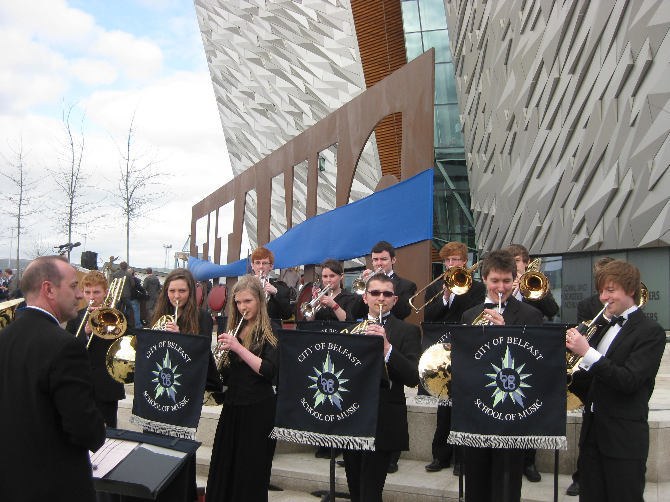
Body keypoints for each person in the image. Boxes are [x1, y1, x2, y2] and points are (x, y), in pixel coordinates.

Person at [0, 256, 106, 501]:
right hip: (55, 487)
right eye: (73, 286)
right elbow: (83, 429)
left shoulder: (3, 338)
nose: (80, 295)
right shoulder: (66, 346)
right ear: (48, 289)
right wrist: (96, 427)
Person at [566, 260, 664, 502]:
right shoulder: (603, 326)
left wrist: (587, 352)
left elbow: (629, 380)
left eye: (610, 290)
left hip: (623, 437)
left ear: (630, 290)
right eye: (601, 291)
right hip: (593, 433)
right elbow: (593, 379)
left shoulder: (651, 331)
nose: (603, 297)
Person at [461, 250, 543, 502]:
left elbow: (535, 363)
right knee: (475, 482)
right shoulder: (468, 314)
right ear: (484, 279)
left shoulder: (531, 315)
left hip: (511, 410)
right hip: (477, 409)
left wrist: (505, 332)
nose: (501, 287)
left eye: (507, 281)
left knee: (506, 486)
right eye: (495, 280)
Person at [341, 273, 422, 502]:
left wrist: (387, 348)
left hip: (384, 417)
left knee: (372, 490)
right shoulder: (349, 330)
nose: (381, 298)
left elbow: (413, 377)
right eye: (375, 293)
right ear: (365, 297)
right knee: (355, 487)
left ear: (395, 300)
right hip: (353, 415)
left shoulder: (407, 331)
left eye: (387, 294)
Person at [206, 275, 279, 501]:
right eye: (238, 302)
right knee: (225, 468)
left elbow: (268, 371)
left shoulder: (271, 330)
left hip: (258, 408)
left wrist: (238, 348)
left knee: (250, 473)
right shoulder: (236, 329)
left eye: (247, 301)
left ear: (259, 300)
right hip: (233, 405)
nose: (242, 307)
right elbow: (229, 374)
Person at [424, 242, 486, 475]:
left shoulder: (477, 288)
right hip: (443, 350)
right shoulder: (435, 288)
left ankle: (462, 459)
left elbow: (472, 313)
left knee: (465, 405)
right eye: (447, 260)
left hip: (467, 349)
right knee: (444, 404)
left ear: (465, 262)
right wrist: (446, 295)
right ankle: (441, 456)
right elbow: (429, 317)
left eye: (455, 260)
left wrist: (460, 290)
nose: (451, 264)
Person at [506, 243, 558, 482]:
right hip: (504, 355)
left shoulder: (534, 283)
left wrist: (534, 287)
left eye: (519, 260)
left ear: (526, 262)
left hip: (529, 355)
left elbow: (552, 310)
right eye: (511, 260)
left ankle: (529, 462)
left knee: (528, 411)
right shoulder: (502, 287)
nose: (516, 264)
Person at [567, 255, 615, 496]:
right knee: (588, 430)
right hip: (592, 368)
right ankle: (580, 477)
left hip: (614, 371)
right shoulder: (588, 305)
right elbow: (585, 340)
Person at [65, 270, 127, 428]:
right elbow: (67, 346)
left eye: (96, 292)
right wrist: (85, 333)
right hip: (82, 383)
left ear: (106, 293)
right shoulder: (76, 317)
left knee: (109, 433)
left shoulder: (116, 315)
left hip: (107, 385)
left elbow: (129, 341)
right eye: (88, 292)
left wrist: (113, 327)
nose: (92, 297)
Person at [351, 241, 417, 321]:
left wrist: (389, 290)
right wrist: (366, 285)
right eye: (375, 260)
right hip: (369, 328)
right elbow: (355, 313)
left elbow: (403, 313)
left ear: (393, 260)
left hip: (393, 330)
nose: (379, 263)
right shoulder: (368, 283)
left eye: (383, 259)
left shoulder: (407, 285)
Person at [250, 247, 293, 322]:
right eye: (257, 263)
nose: (261, 266)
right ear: (252, 266)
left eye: (265, 263)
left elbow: (287, 315)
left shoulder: (282, 291)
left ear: (271, 266)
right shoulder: (244, 287)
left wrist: (276, 293)